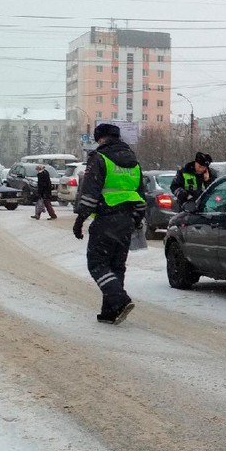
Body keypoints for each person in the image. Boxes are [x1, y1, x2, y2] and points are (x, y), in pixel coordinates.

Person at [73, 123, 145, 324]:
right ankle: (110, 312)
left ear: (101, 138)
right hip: (126, 221)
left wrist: (80, 220)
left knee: (97, 264)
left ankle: (119, 300)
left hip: (106, 219)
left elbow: (89, 193)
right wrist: (136, 220)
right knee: (116, 266)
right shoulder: (134, 162)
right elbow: (141, 195)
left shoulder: (99, 159)